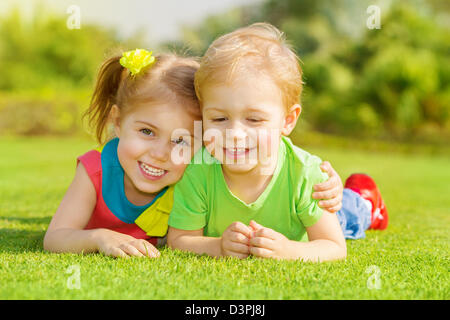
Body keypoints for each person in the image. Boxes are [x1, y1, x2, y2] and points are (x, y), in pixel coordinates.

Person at [166, 23, 388, 262]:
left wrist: (289, 250)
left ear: (288, 120)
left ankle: (365, 198)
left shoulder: (305, 175)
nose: (235, 134)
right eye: (219, 118)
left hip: (322, 219)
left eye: (253, 119)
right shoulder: (198, 171)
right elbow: (179, 240)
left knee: (350, 215)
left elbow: (334, 246)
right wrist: (218, 246)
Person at [43, 49, 203, 258]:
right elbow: (55, 237)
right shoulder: (95, 170)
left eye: (180, 140)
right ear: (117, 122)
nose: (160, 154)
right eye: (147, 131)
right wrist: (100, 237)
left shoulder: (192, 179)